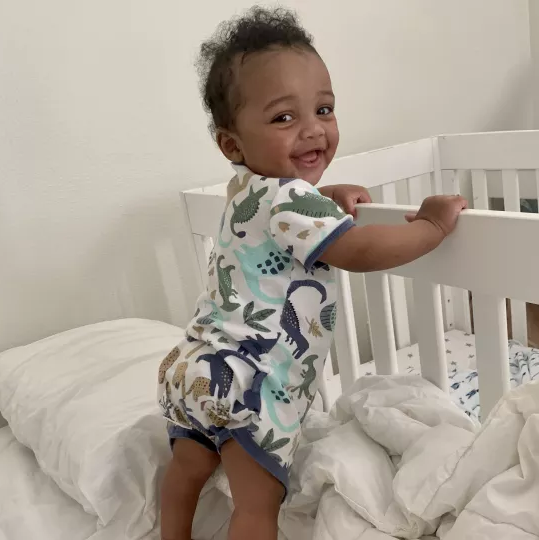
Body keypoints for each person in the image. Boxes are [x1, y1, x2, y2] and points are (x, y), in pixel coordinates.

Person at [156, 6, 467, 539]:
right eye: (283, 118)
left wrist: (324, 196)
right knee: (256, 509)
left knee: (186, 471)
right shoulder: (291, 202)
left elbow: (282, 216)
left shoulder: (245, 193)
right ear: (232, 144)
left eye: (324, 109)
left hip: (192, 368)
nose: (312, 130)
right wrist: (432, 228)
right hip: (251, 384)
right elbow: (359, 249)